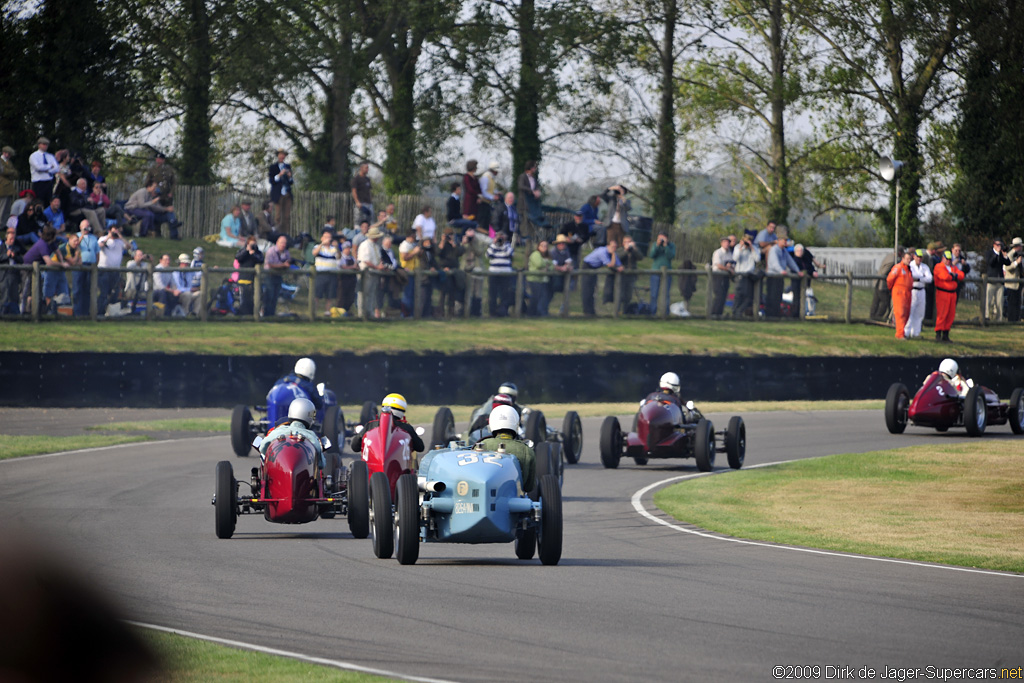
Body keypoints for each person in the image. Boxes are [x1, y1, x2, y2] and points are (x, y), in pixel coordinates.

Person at [478, 405, 536, 492]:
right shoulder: (527, 451)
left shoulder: (481, 446)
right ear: (516, 423)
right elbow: (529, 487)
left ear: (492, 423)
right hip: (515, 501)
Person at [259, 397, 325, 472]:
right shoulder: (311, 436)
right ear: (309, 416)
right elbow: (321, 463)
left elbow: (263, 446)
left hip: (278, 468)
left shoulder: (278, 431)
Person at [351, 393, 425, 454]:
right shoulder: (407, 428)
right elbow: (420, 448)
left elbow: (355, 447)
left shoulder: (370, 425)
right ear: (402, 411)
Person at [581, 240, 623, 316]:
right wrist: (613, 254)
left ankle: (592, 311)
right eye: (612, 247)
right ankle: (587, 312)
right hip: (587, 266)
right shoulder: (602, 252)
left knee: (593, 290)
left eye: (615, 247)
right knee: (587, 290)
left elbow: (619, 265)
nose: (614, 248)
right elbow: (610, 266)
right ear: (608, 246)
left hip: (594, 268)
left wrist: (618, 265)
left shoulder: (612, 252)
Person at [765, 237, 803, 318]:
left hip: (780, 277)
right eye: (784, 240)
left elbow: (790, 261)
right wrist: (781, 270)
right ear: (779, 240)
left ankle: (776, 315)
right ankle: (770, 315)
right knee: (772, 296)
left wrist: (797, 270)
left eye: (786, 240)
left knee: (778, 296)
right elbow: (774, 263)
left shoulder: (784, 251)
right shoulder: (774, 250)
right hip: (773, 276)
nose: (785, 242)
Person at [933, 250, 964, 342]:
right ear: (943, 258)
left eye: (950, 259)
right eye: (947, 259)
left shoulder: (953, 268)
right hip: (942, 293)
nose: (948, 261)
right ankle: (938, 333)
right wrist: (953, 277)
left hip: (952, 294)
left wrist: (954, 275)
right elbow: (944, 276)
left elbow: (962, 275)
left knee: (950, 314)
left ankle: (946, 334)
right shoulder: (939, 266)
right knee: (942, 313)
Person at [96, 226, 126, 315]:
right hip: (104, 270)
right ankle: (99, 313)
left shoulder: (120, 241)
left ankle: (111, 313)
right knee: (103, 293)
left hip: (115, 271)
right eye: (113, 231)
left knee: (114, 293)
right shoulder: (103, 238)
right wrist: (109, 236)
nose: (115, 233)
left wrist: (121, 237)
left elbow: (129, 246)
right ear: (109, 231)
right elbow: (100, 246)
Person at [357, 226, 385, 318]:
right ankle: (362, 313)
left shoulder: (376, 246)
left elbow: (379, 258)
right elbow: (365, 260)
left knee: (372, 293)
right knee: (364, 293)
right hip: (366, 273)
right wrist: (377, 267)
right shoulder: (364, 245)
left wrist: (381, 265)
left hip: (375, 272)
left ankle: (370, 312)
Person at [731, 230, 760, 318]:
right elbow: (735, 258)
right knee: (739, 295)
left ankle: (740, 312)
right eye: (746, 240)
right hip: (740, 274)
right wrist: (741, 247)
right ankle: (735, 313)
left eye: (749, 240)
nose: (747, 242)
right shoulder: (738, 247)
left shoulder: (754, 248)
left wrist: (751, 247)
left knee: (748, 297)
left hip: (749, 275)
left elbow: (757, 259)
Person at [486, 230, 515, 317]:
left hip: (505, 274)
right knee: (492, 294)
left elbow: (509, 253)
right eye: (498, 236)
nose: (500, 238)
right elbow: (488, 255)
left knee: (505, 293)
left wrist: (503, 244)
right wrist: (494, 244)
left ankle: (502, 311)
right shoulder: (492, 247)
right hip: (493, 273)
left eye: (502, 236)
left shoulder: (508, 246)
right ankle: (492, 312)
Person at [886, 249, 913, 340]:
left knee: (907, 313)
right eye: (907, 258)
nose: (909, 260)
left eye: (910, 259)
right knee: (900, 312)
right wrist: (892, 289)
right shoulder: (898, 267)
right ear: (903, 258)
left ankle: (902, 331)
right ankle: (900, 334)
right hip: (899, 292)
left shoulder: (909, 269)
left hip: (908, 293)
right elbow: (890, 279)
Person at [262, 235, 292, 317]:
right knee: (269, 295)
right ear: (277, 243)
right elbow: (270, 264)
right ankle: (266, 315)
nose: (283, 244)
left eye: (285, 243)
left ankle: (272, 314)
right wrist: (283, 265)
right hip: (270, 275)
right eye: (282, 242)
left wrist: (286, 264)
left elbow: (288, 261)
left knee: (275, 296)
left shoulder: (286, 252)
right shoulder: (271, 251)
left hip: (279, 276)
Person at [905, 248, 933, 338]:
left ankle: (916, 333)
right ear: (914, 256)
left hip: (922, 290)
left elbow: (929, 278)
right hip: (913, 290)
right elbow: (911, 277)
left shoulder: (924, 266)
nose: (919, 259)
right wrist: (922, 277)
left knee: (920, 313)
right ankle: (906, 332)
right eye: (917, 257)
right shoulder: (911, 265)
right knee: (910, 311)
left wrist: (920, 278)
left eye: (920, 257)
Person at [647, 230, 676, 314]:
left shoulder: (671, 246)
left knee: (666, 294)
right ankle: (652, 312)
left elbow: (671, 256)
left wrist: (666, 246)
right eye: (660, 238)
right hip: (655, 271)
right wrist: (657, 245)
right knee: (654, 293)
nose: (661, 240)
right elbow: (651, 255)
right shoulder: (654, 245)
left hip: (667, 272)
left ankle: (665, 313)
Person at [985, 238, 1011, 321]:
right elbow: (991, 263)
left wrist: (1005, 255)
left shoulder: (1001, 254)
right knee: (988, 301)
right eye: (998, 245)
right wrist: (996, 253)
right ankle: (986, 317)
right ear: (994, 245)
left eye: (1000, 245)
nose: (999, 247)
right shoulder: (989, 253)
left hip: (1000, 281)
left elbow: (1008, 263)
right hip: (991, 281)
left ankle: (999, 319)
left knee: (999, 302)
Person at [526, 239, 553, 316]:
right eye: (542, 245)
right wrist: (547, 264)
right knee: (535, 297)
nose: (544, 247)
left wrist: (547, 267)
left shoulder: (548, 255)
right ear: (538, 247)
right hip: (534, 279)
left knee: (543, 297)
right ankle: (531, 314)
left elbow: (552, 266)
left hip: (544, 280)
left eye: (546, 246)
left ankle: (540, 313)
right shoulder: (535, 254)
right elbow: (539, 264)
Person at [269, 149, 294, 233]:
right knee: (277, 216)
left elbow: (291, 182)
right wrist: (279, 175)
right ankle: (277, 233)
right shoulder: (273, 167)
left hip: (287, 193)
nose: (282, 156)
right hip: (278, 194)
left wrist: (289, 176)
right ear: (278, 155)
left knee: (286, 216)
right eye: (280, 154)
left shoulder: (288, 166)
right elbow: (272, 181)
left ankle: (285, 234)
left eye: (283, 155)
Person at [709, 236, 734, 318]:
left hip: (725, 277)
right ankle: (713, 313)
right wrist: (728, 269)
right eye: (725, 242)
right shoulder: (718, 252)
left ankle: (719, 314)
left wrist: (730, 267)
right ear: (721, 243)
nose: (727, 243)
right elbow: (718, 265)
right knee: (718, 294)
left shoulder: (729, 253)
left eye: (728, 242)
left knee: (724, 295)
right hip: (718, 276)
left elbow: (731, 264)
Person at [29, 137, 59, 204]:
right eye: (44, 144)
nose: (45, 146)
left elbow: (57, 168)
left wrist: (48, 170)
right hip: (39, 182)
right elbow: (38, 167)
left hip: (48, 182)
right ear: (39, 145)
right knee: (38, 202)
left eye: (47, 144)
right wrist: (50, 166)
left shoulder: (50, 156)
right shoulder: (34, 156)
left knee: (48, 201)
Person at [1004, 237, 1023, 322]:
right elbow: (1008, 267)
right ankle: (1011, 320)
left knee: (1018, 302)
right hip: (1011, 283)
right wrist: (1016, 263)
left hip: (1018, 283)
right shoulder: (1010, 255)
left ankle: (1016, 319)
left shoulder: (1020, 255)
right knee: (1012, 303)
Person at [478, 160, 500, 231]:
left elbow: (491, 189)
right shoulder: (485, 177)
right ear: (493, 170)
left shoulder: (491, 178)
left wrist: (497, 193)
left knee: (487, 223)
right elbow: (484, 192)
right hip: (483, 203)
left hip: (488, 203)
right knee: (483, 223)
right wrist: (493, 197)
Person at [350, 161, 372, 226]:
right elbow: (354, 191)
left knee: (369, 219)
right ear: (361, 168)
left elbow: (369, 191)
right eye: (366, 168)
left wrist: (371, 200)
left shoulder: (367, 179)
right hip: (361, 203)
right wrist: (357, 202)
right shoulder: (356, 179)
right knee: (359, 220)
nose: (367, 169)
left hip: (368, 203)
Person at [0, 145, 17, 227]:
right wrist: (11, 172)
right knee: (2, 207)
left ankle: (4, 224)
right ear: (4, 152)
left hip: (8, 187)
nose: (9, 156)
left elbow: (15, 173)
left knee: (7, 209)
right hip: (2, 186)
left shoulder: (9, 162)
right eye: (8, 154)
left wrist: (10, 172)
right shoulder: (0, 161)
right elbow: (3, 171)